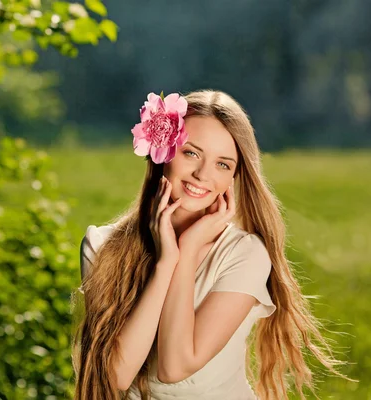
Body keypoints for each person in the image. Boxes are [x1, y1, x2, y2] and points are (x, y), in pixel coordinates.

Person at [71, 89, 350, 400]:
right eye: (191, 153)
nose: (203, 174)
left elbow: (175, 367)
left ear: (234, 177)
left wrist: (187, 252)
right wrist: (165, 264)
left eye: (223, 165)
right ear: (163, 151)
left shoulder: (245, 254)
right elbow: (116, 375)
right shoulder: (103, 246)